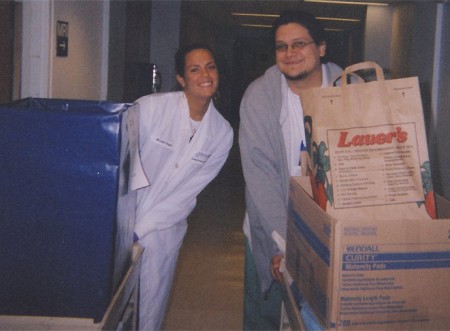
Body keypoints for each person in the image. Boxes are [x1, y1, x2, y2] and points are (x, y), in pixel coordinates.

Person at [239, 10, 345, 330]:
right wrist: (283, 245)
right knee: (266, 316)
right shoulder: (260, 97)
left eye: (299, 43)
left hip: (333, 230)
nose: (290, 53)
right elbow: (260, 175)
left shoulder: (349, 91)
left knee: (324, 317)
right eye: (281, 46)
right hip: (271, 225)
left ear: (322, 48)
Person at [133, 43, 233, 330]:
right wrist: (127, 224)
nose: (205, 74)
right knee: (109, 306)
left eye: (210, 66)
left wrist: (141, 228)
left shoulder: (222, 132)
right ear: (180, 78)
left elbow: (188, 194)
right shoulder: (150, 108)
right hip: (121, 218)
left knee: (148, 310)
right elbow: (123, 164)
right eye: (194, 69)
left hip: (164, 229)